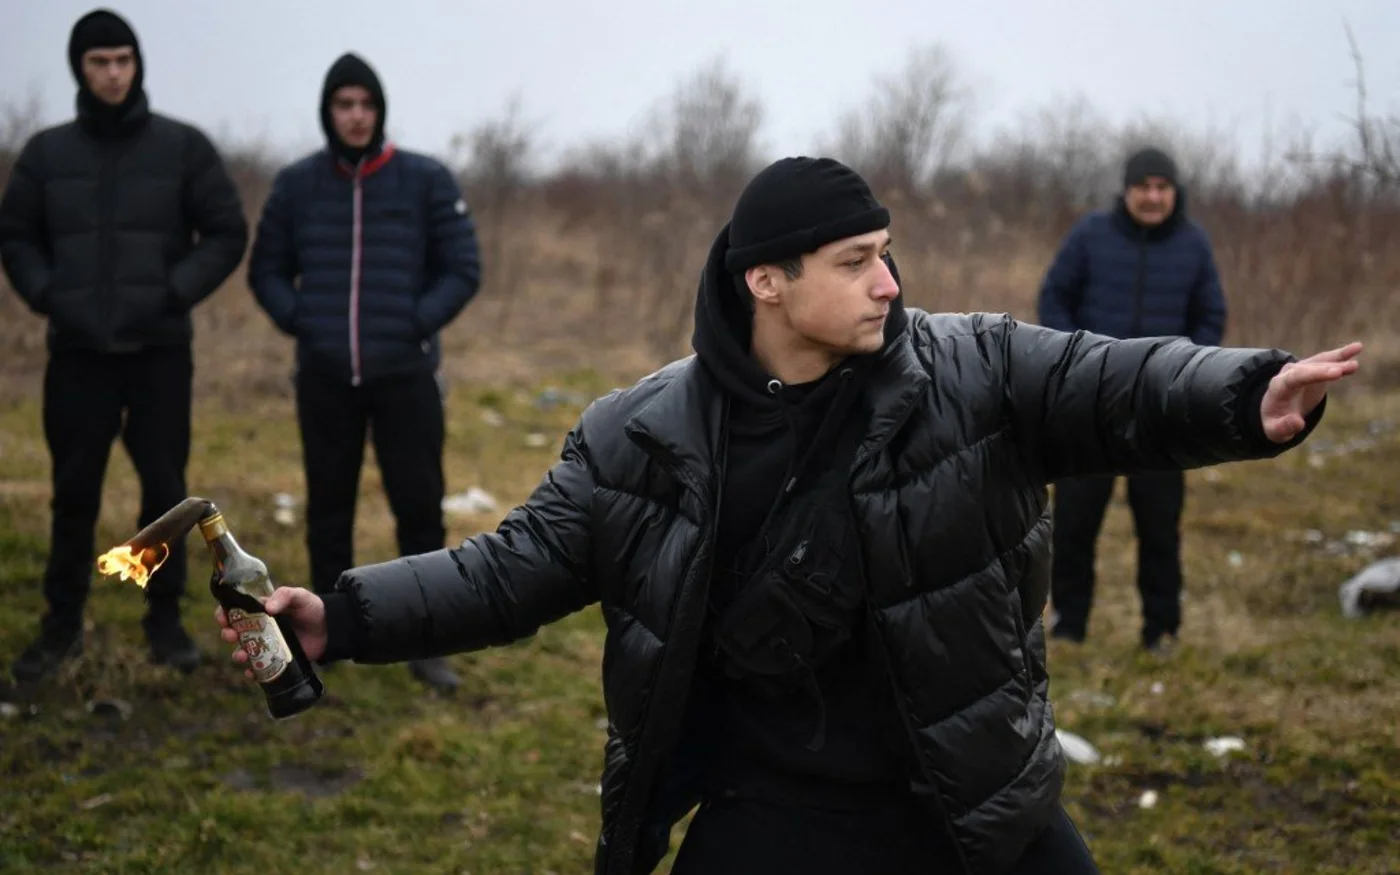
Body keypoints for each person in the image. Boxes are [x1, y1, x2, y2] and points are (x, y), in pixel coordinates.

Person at [218, 156, 1360, 875]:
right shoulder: (639, 434)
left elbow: (1109, 381)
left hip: (971, 796)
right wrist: (342, 616)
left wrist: (1243, 392)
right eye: (856, 262)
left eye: (887, 257)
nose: (888, 285)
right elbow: (511, 568)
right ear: (765, 280)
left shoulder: (970, 370)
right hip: (777, 810)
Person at [0, 8, 248, 683]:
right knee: (73, 493)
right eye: (99, 62)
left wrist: (174, 290)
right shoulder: (47, 154)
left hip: (158, 353)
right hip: (77, 354)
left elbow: (227, 230)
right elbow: (15, 235)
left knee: (167, 495)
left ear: (137, 65)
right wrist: (47, 293)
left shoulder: (183, 148)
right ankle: (60, 627)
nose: (112, 74)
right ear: (79, 69)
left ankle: (164, 624)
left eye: (123, 60)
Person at [246, 52, 481, 694]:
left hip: (406, 374)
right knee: (329, 508)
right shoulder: (297, 185)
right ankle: (326, 638)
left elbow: (463, 267)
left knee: (419, 508)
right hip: (325, 377)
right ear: (328, 112)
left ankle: (427, 642)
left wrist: (414, 322)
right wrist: (305, 322)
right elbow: (266, 269)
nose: (356, 115)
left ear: (380, 110)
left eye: (366, 104)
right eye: (344, 104)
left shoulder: (425, 180)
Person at [1036, 146, 1230, 651]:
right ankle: (1069, 625)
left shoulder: (1193, 244)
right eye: (1143, 186)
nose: (1152, 196)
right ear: (1126, 191)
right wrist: (1074, 359)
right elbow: (1053, 297)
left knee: (1160, 528)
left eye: (1162, 187)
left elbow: (1210, 314)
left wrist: (1186, 370)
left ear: (1174, 192)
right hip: (1089, 404)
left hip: (1161, 411)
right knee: (1075, 525)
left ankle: (1161, 630)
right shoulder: (1090, 235)